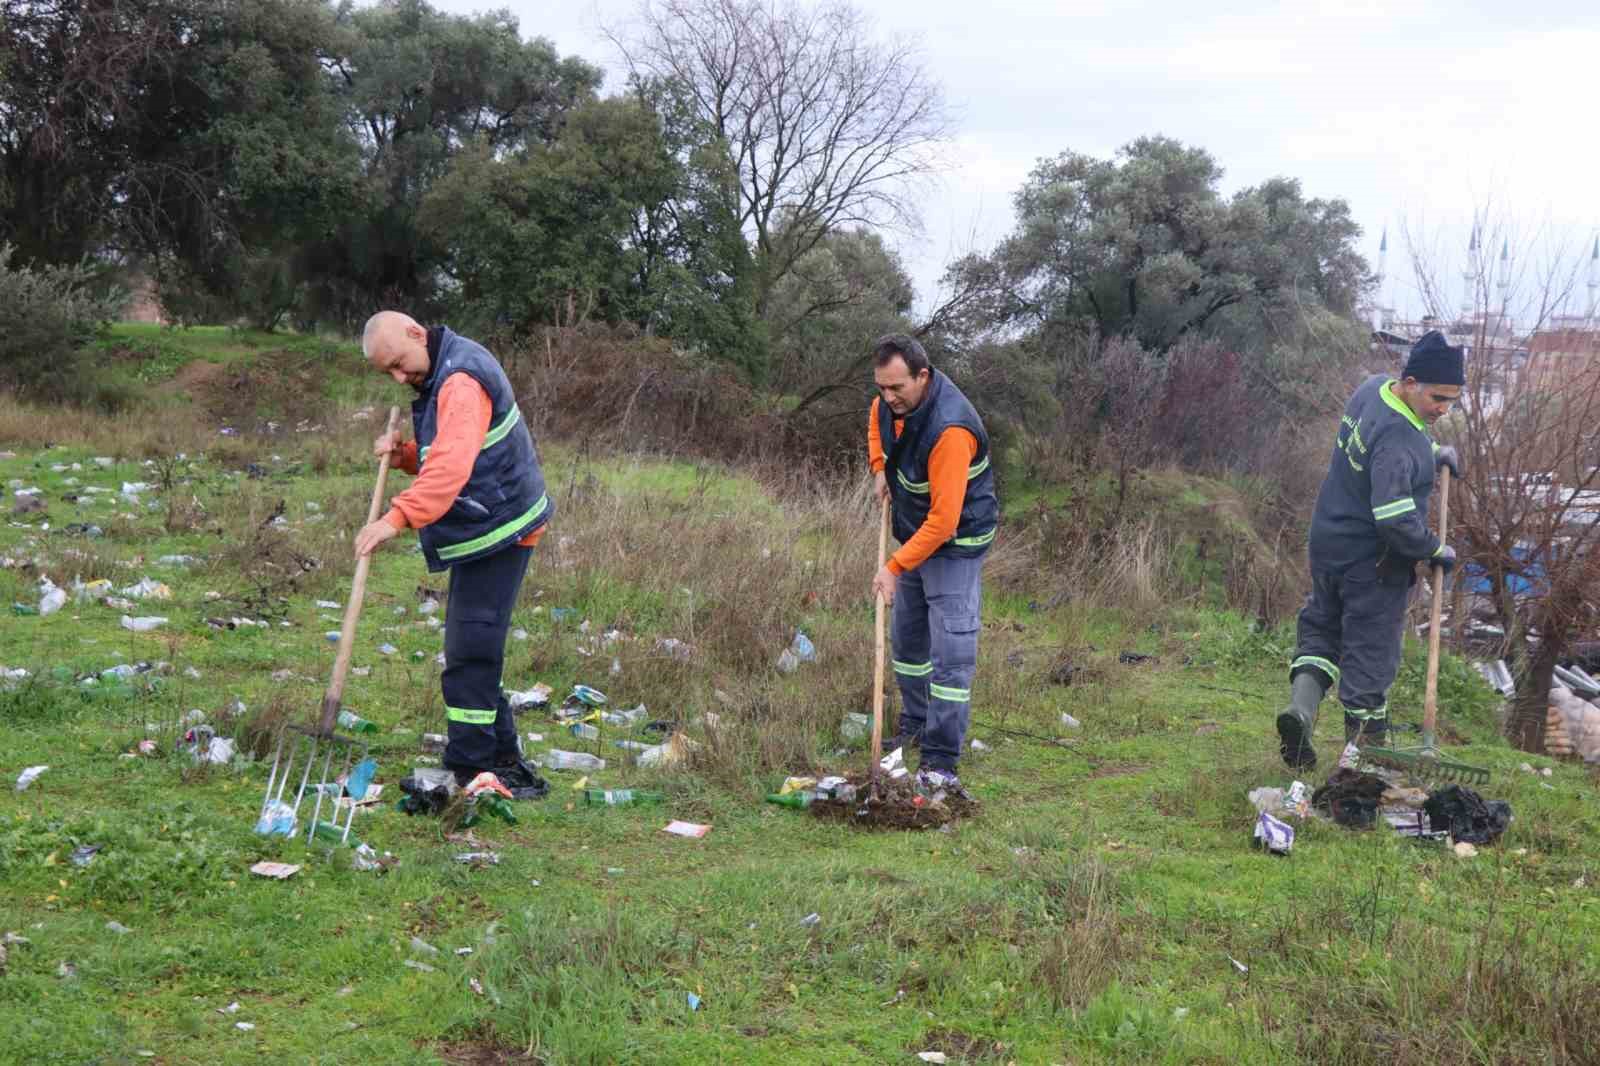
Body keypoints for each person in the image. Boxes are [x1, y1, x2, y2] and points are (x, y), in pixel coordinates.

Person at [354, 311, 554, 796]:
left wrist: (394, 519)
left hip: (501, 528)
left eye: (400, 364)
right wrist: (404, 455)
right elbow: (443, 450)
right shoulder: (444, 368)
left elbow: (449, 469)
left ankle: (468, 767)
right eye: (390, 374)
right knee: (475, 647)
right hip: (489, 523)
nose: (401, 378)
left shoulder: (461, 380)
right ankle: (506, 762)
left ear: (417, 334)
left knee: (468, 652)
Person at [1277, 329, 1464, 768]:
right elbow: (1397, 520)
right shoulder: (1403, 442)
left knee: (1321, 627)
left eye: (1452, 401)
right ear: (1412, 382)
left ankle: (1300, 710)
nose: (1443, 409)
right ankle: (1364, 762)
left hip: (1328, 540)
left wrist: (1434, 450)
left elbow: (1386, 444)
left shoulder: (1373, 389)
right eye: (1438, 398)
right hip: (1374, 562)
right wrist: (1436, 549)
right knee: (1371, 654)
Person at [867, 334, 998, 796]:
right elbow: (876, 425)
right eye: (882, 387)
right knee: (907, 640)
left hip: (955, 542)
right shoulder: (890, 403)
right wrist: (880, 469)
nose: (888, 397)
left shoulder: (950, 431)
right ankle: (915, 725)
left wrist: (894, 566)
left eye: (896, 388)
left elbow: (943, 521)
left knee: (951, 656)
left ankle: (941, 760)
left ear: (923, 376)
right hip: (915, 535)